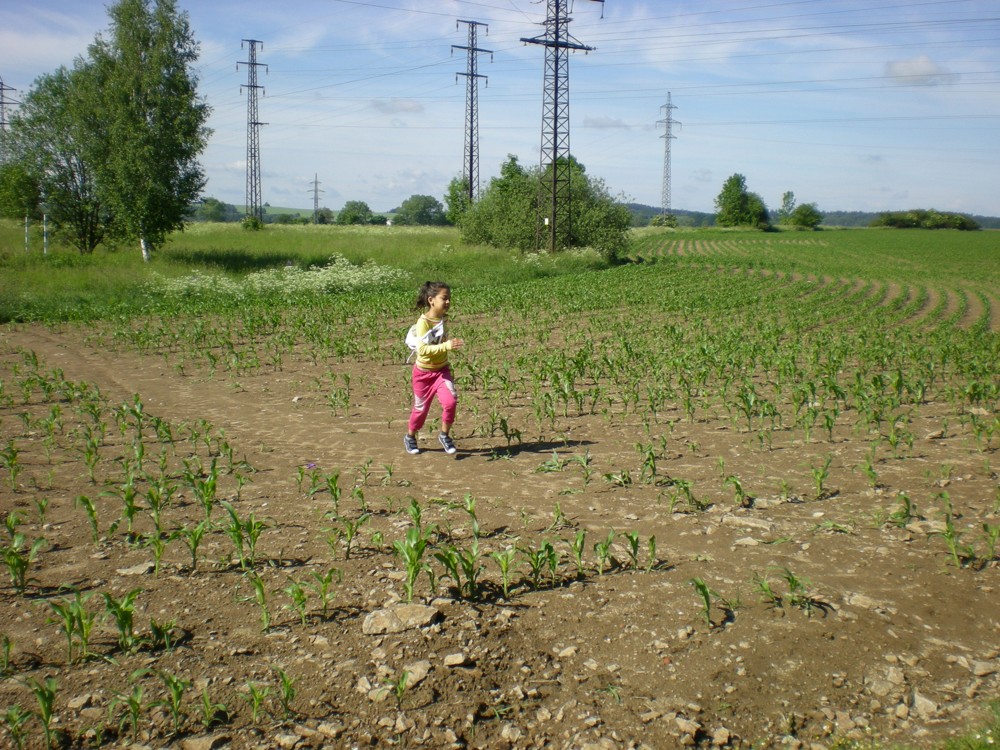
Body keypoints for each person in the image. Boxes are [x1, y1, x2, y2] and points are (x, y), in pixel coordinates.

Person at [404, 281, 464, 455]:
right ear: (431, 300)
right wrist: (447, 346)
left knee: (451, 401)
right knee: (420, 410)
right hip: (423, 374)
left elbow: (440, 342)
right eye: (444, 298)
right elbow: (422, 350)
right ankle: (410, 436)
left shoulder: (443, 318)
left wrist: (447, 346)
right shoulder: (423, 322)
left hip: (441, 371)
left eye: (449, 298)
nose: (448, 302)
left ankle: (444, 435)